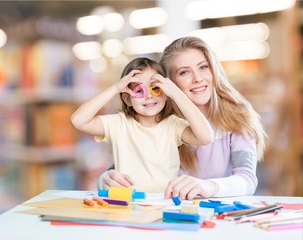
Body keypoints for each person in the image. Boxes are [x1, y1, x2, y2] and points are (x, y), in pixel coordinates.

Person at [97, 36, 266, 199]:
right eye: (184, 72)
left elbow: (247, 180)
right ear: (167, 83)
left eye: (203, 67)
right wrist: (105, 179)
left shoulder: (237, 117)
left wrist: (207, 186)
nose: (198, 78)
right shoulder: (161, 121)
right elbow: (131, 167)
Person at [71, 57, 213, 193]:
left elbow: (206, 137)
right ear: (127, 99)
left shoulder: (173, 125)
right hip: (128, 201)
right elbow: (78, 120)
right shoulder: (118, 124)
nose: (149, 96)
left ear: (166, 92)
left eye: (155, 89)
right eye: (139, 90)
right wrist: (115, 88)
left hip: (165, 201)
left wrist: (176, 93)